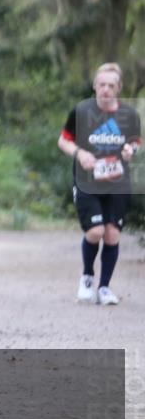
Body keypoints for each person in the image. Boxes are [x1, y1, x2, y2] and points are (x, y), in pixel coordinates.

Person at [57, 63, 141, 306]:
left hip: (117, 183)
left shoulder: (129, 115)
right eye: (102, 85)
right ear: (94, 86)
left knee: (112, 234)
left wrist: (130, 149)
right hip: (87, 182)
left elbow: (136, 141)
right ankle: (87, 277)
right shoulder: (81, 112)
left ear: (119, 88)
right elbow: (63, 141)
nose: (106, 90)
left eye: (111, 86)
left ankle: (104, 287)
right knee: (95, 232)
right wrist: (80, 153)